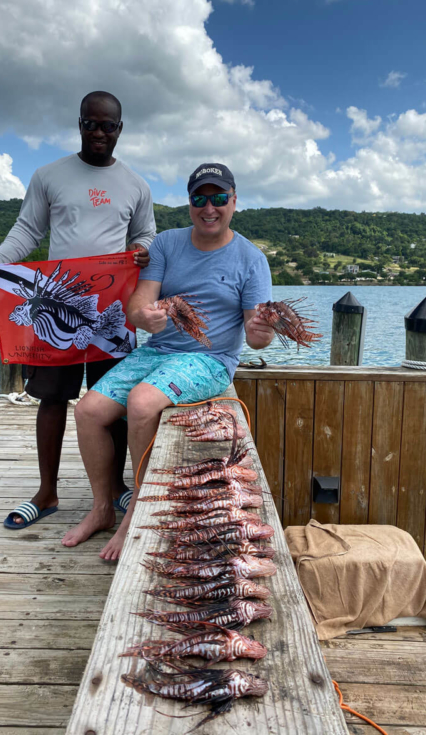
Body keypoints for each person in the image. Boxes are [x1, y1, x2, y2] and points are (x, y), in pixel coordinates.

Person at [64, 162, 274, 560]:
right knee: (89, 409)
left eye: (218, 198)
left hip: (210, 358)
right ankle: (102, 509)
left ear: (234, 202)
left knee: (142, 402)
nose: (208, 207)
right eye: (200, 198)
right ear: (189, 202)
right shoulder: (166, 244)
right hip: (157, 350)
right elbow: (139, 302)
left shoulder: (251, 259)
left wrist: (263, 332)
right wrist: (145, 317)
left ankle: (137, 514)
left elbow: (256, 333)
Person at [0, 91, 156, 528]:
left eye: (107, 126)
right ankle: (47, 492)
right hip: (57, 303)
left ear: (119, 130)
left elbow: (147, 234)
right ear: (79, 124)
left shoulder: (137, 185)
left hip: (111, 310)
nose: (98, 132)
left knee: (110, 401)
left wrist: (140, 250)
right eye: (90, 124)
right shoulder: (48, 175)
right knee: (52, 398)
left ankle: (113, 488)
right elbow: (27, 230)